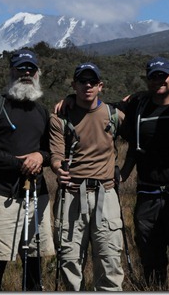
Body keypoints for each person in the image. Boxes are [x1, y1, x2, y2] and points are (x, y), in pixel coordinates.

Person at [0, 49, 55, 291]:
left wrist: (39, 156)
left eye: (31, 69)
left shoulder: (42, 111)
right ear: (11, 72)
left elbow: (51, 152)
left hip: (37, 196)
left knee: (34, 261)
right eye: (21, 69)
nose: (27, 73)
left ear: (38, 73)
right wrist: (18, 163)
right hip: (2, 195)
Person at [118, 57, 169, 290]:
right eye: (153, 77)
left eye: (163, 76)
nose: (158, 81)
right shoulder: (138, 107)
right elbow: (132, 145)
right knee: (151, 256)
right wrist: (71, 100)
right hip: (147, 194)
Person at [49, 62, 125, 291]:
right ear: (74, 85)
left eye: (92, 81)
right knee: (70, 261)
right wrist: (57, 168)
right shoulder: (60, 117)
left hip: (106, 194)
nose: (88, 85)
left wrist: (126, 170)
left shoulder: (115, 115)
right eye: (82, 81)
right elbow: (55, 154)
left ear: (100, 86)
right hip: (72, 195)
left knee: (109, 260)